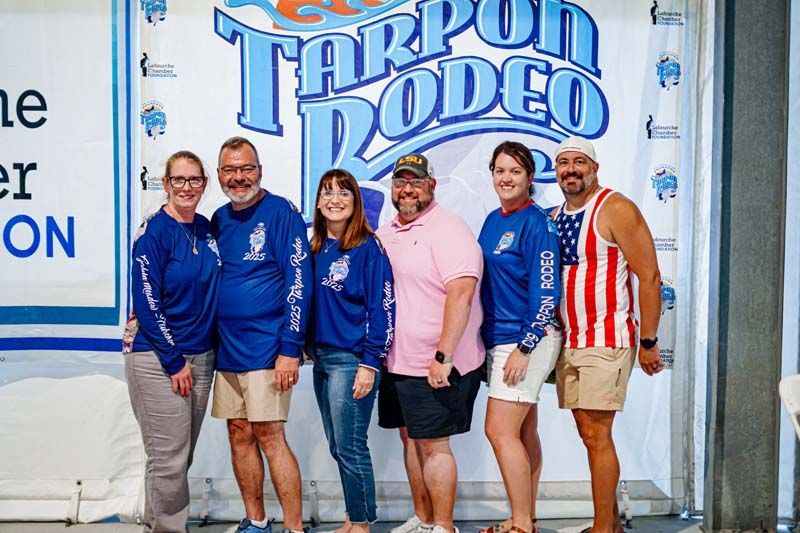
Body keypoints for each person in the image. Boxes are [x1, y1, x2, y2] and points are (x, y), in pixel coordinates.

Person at [551, 136, 664, 533]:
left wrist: (649, 340)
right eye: (563, 163)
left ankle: (602, 529)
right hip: (571, 340)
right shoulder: (555, 214)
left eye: (579, 162)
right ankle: (610, 523)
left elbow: (649, 276)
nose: (570, 169)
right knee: (587, 431)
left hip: (608, 336)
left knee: (598, 432)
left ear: (595, 168)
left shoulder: (615, 208)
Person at [375, 154, 485, 533]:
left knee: (434, 445)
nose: (407, 189)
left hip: (435, 363)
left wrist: (444, 355)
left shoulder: (449, 228)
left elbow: (462, 295)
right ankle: (423, 519)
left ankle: (444, 525)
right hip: (397, 362)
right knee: (411, 438)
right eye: (400, 182)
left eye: (416, 182)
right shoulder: (387, 231)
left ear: (432, 186)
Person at [209, 136, 312, 533]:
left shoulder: (280, 212)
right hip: (227, 351)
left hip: (268, 348)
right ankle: (256, 520)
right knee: (238, 434)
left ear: (260, 171)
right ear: (220, 174)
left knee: (270, 435)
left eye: (246, 168)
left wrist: (291, 347)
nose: (239, 177)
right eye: (230, 170)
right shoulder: (219, 218)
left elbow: (299, 280)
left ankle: (294, 527)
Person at [124, 150, 221, 532]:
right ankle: (167, 528)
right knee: (167, 459)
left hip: (201, 356)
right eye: (178, 180)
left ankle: (157, 524)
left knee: (180, 457)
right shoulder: (153, 232)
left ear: (204, 184)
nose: (186, 187)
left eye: (194, 179)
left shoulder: (206, 229)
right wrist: (173, 359)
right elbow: (146, 302)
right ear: (165, 184)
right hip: (159, 357)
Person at [477, 142, 562, 533]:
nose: (506, 178)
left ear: (530, 177)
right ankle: (522, 516)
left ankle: (522, 526)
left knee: (499, 430)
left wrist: (526, 346)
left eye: (514, 171)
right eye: (499, 170)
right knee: (523, 430)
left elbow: (546, 292)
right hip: (500, 337)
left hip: (527, 338)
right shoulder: (493, 220)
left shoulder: (538, 223)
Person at [308, 169, 395, 533]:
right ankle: (353, 516)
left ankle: (361, 523)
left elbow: (383, 308)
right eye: (327, 192)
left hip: (352, 361)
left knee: (351, 446)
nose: (335, 199)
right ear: (317, 202)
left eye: (344, 192)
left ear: (355, 201)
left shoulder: (368, 248)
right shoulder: (313, 248)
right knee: (338, 446)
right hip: (322, 361)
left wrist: (370, 363)